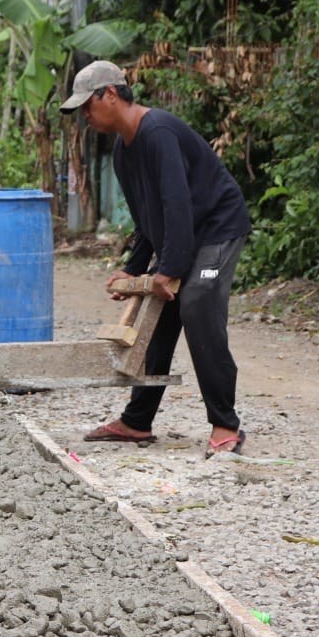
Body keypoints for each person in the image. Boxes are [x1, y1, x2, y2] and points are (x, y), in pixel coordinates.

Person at [62, 60, 252, 456]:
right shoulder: (123, 152)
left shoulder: (158, 132)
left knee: (196, 302)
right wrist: (133, 269)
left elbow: (177, 204)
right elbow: (149, 217)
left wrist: (167, 270)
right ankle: (137, 421)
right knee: (158, 309)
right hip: (184, 233)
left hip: (217, 227)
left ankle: (224, 423)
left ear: (110, 95)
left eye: (87, 106)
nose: (85, 116)